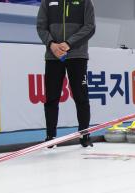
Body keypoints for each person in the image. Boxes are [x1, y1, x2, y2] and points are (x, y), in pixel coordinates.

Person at [36, 0, 96, 148]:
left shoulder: (85, 2)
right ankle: (51, 136)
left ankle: (84, 134)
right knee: (51, 97)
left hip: (77, 55)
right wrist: (52, 44)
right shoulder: (47, 2)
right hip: (53, 56)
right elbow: (41, 27)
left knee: (81, 96)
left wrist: (69, 43)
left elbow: (90, 27)